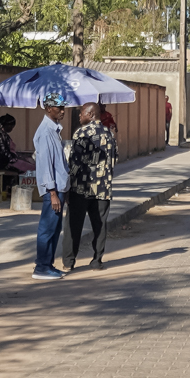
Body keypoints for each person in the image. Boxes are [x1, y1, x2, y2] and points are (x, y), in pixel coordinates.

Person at [63, 102, 118, 272]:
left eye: (81, 113)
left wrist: (67, 184)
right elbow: (114, 160)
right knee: (100, 224)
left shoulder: (81, 132)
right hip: (103, 188)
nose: (79, 117)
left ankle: (69, 262)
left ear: (90, 114)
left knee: (74, 224)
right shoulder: (109, 134)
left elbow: (75, 163)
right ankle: (97, 260)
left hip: (81, 187)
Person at [31, 95, 70, 280]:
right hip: (52, 190)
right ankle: (41, 267)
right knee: (47, 228)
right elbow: (46, 165)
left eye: (63, 107)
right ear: (48, 108)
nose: (62, 110)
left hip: (59, 188)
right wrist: (53, 193)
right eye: (58, 107)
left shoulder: (54, 130)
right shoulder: (46, 132)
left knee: (54, 228)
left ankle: (49, 265)